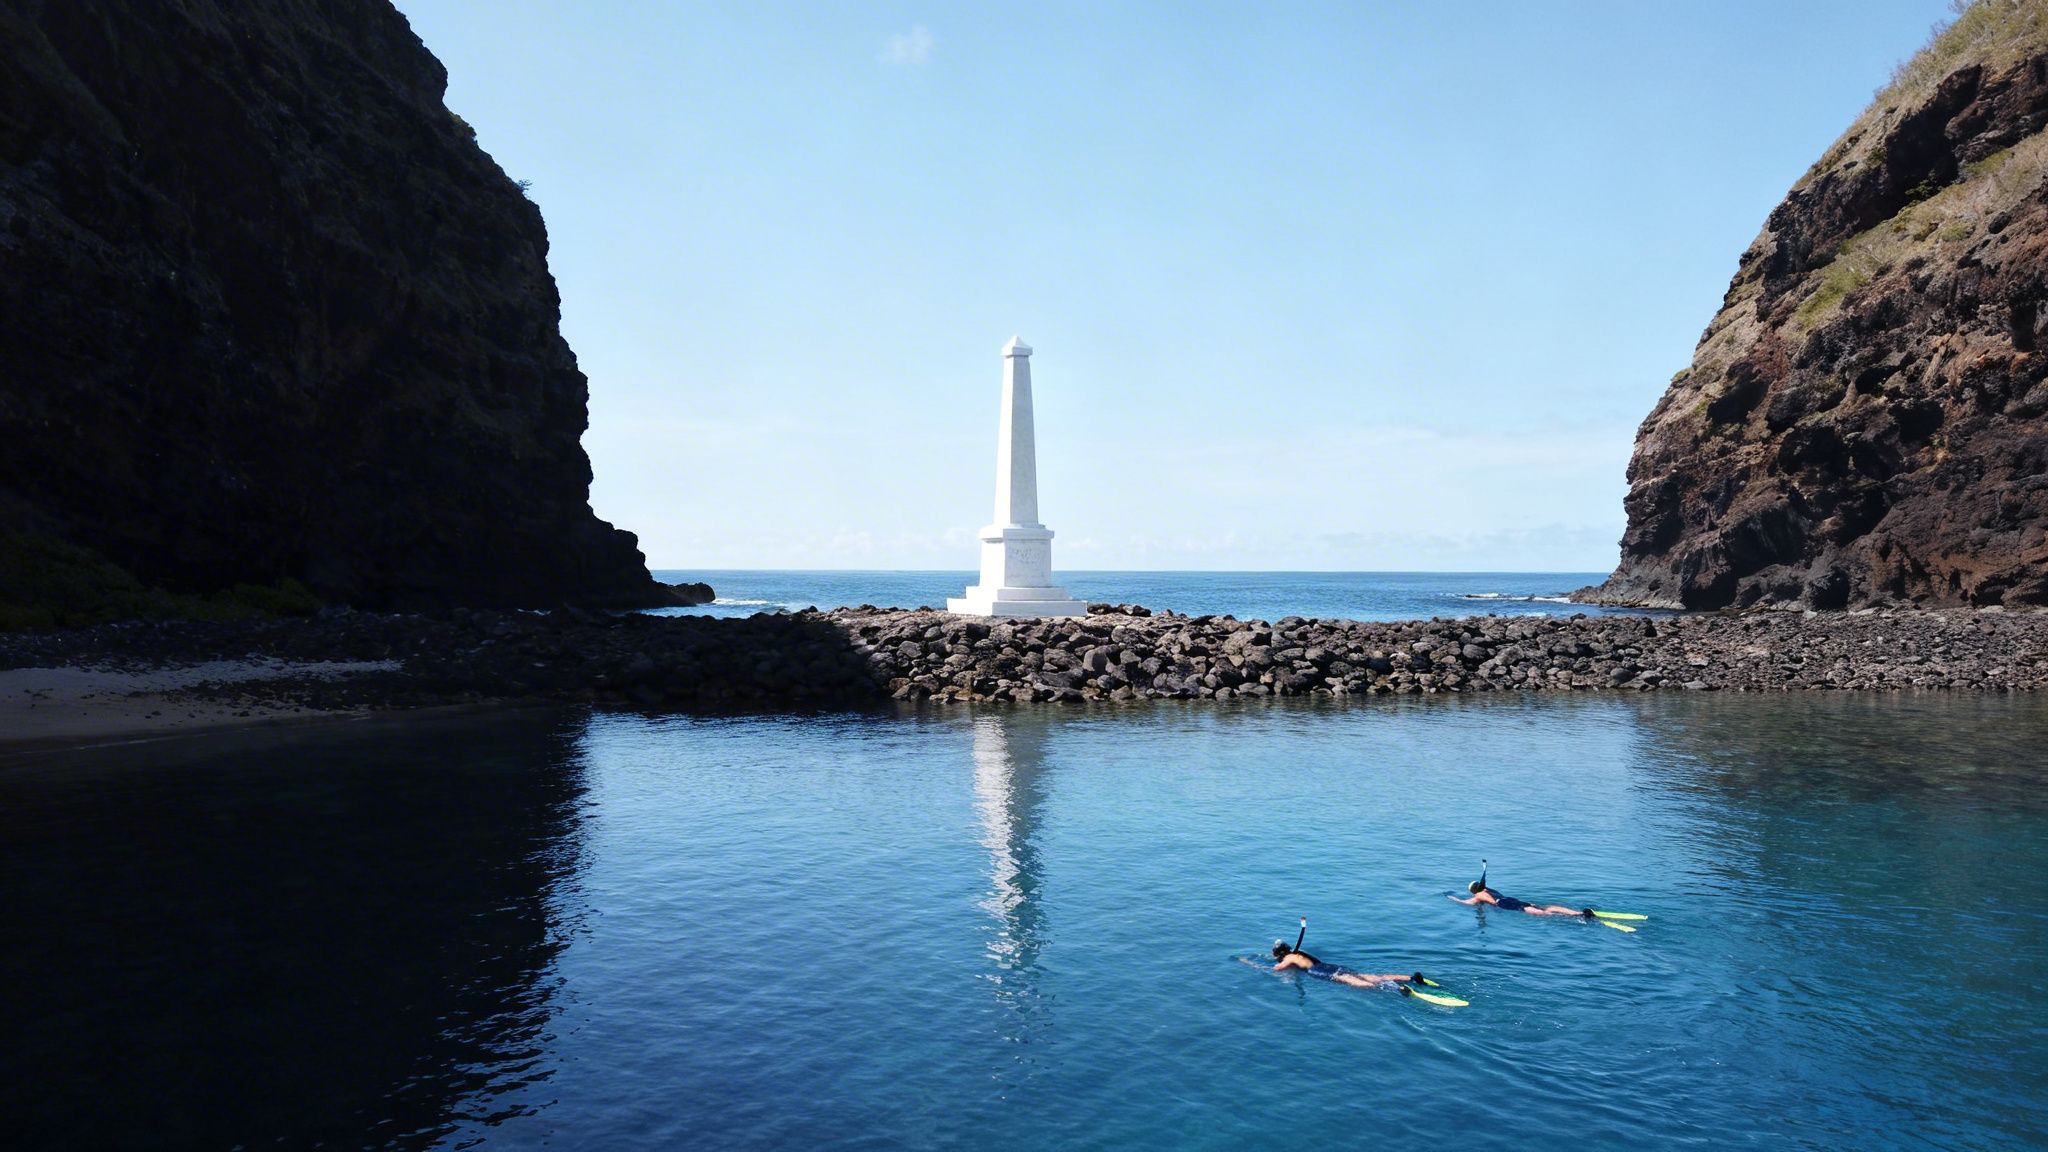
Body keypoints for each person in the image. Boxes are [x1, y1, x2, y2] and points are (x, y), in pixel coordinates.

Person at [1270, 941, 1426, 991]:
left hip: (1317, 971)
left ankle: (1397, 989)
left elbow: (1278, 968)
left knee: (1350, 981)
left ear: (1279, 953)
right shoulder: (1299, 952)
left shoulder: (1288, 957)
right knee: (1366, 976)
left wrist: (1258, 967)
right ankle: (1411, 978)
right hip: (1328, 965)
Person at [1453, 880, 1593, 919]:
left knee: (1539, 913)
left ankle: (1578, 917)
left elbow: (1469, 903)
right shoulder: (1489, 889)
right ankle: (1577, 913)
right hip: (1511, 899)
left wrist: (1453, 898)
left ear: (1473, 891)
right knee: (1545, 907)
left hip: (1504, 903)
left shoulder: (1479, 895)